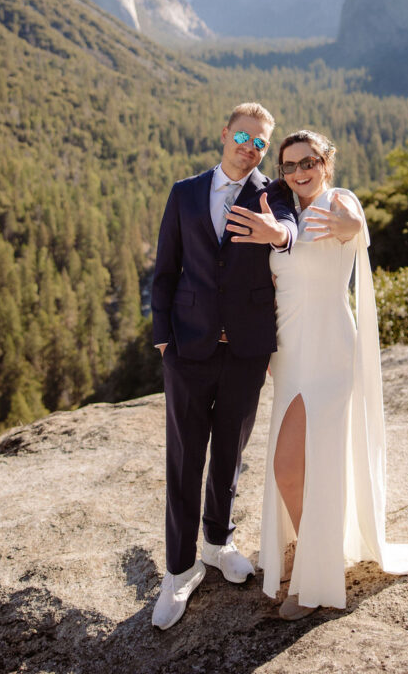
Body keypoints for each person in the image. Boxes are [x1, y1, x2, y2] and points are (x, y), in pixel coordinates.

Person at [259, 130, 408, 620]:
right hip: (287, 351)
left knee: (296, 465)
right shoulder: (283, 213)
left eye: (309, 162)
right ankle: (312, 549)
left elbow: (353, 226)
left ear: (326, 163)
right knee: (296, 466)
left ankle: (316, 578)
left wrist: (348, 219)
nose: (299, 172)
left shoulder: (339, 201)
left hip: (328, 349)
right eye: (289, 165)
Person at [150, 102, 299, 630]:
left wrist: (276, 234)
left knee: (230, 455)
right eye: (243, 136)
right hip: (187, 350)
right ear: (224, 133)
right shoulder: (185, 193)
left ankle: (217, 541)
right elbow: (165, 271)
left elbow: (290, 231)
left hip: (245, 350)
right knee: (184, 461)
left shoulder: (274, 194)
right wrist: (164, 340)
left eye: (260, 143)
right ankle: (177, 569)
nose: (249, 148)